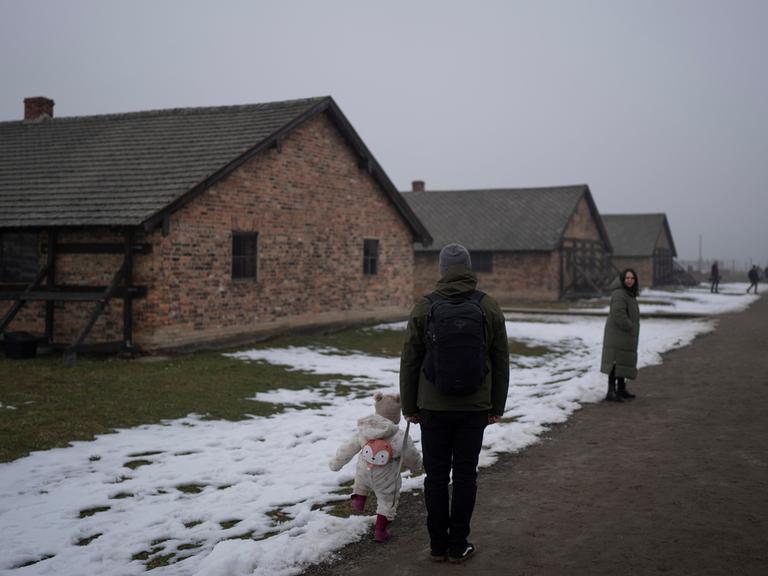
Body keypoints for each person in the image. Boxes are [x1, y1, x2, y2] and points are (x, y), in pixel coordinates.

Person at [400, 243, 510, 564]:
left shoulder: (424, 307)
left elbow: (410, 359)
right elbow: (500, 360)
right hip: (474, 407)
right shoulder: (488, 306)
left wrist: (410, 405)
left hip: (433, 407)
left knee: (435, 476)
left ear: (442, 269)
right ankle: (458, 543)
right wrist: (496, 406)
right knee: (465, 475)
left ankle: (437, 545)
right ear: (469, 268)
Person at [328, 392, 422, 543]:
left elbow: (348, 448)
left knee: (361, 482)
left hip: (364, 471)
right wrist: (416, 466)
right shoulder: (399, 436)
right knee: (387, 500)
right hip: (386, 477)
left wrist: (336, 463)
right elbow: (410, 454)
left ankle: (359, 499)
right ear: (396, 414)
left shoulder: (365, 430)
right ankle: (380, 531)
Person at [601, 269, 640, 402]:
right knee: (615, 362)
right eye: (627, 278)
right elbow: (618, 314)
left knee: (622, 361)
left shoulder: (628, 293)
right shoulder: (619, 294)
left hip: (623, 335)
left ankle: (621, 389)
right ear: (623, 279)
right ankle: (611, 392)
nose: (629, 280)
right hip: (617, 334)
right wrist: (629, 326)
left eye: (632, 278)